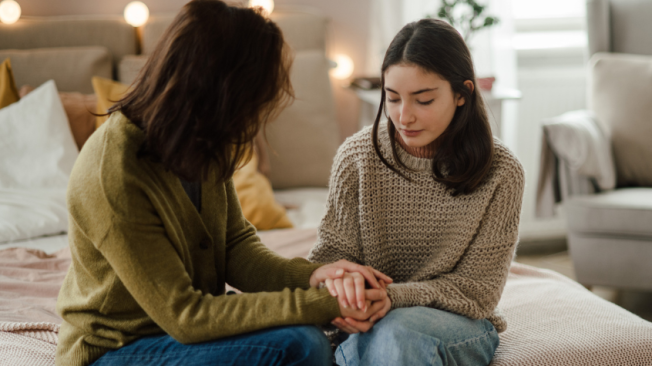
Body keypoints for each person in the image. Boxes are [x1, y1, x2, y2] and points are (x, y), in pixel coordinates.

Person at [55, 1, 393, 366]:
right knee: (300, 344)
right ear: (220, 93)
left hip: (179, 334)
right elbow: (186, 316)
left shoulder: (201, 144)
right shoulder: (114, 172)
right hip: (117, 348)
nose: (255, 117)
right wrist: (323, 304)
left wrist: (316, 277)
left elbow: (237, 250)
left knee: (317, 336)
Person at [309, 18, 525, 366]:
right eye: (392, 98)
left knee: (397, 333)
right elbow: (329, 261)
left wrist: (394, 297)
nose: (403, 116)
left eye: (423, 100)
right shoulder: (357, 157)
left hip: (457, 322)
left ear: (461, 94)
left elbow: (478, 291)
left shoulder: (502, 172)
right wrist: (344, 286)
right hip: (370, 318)